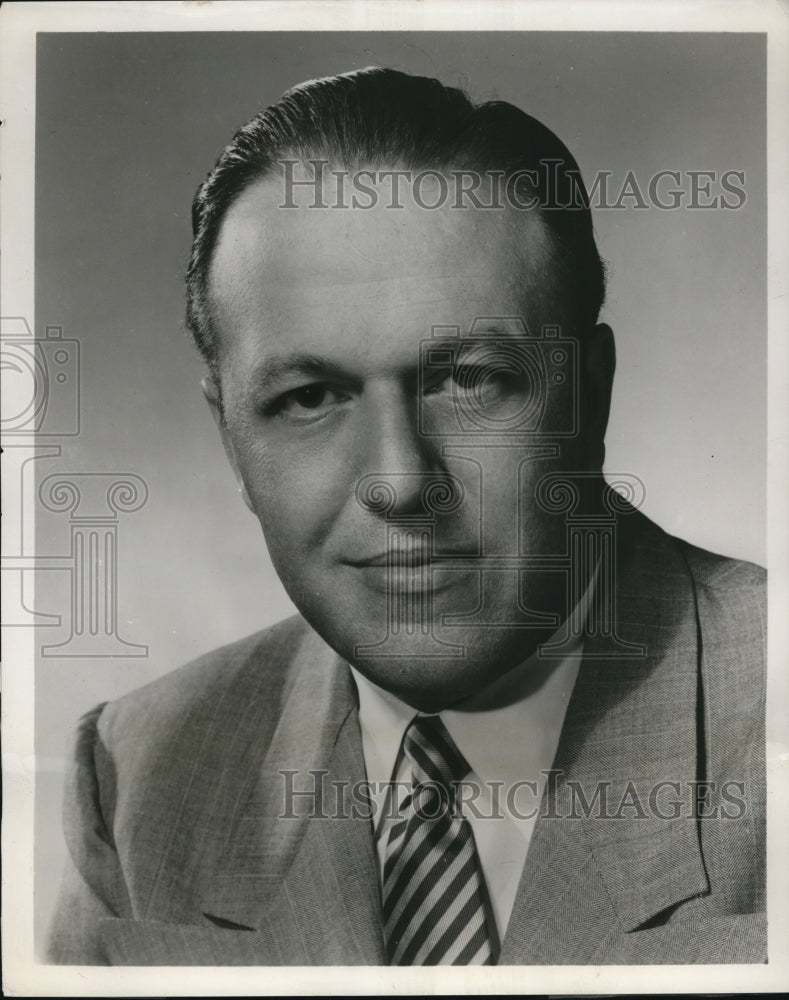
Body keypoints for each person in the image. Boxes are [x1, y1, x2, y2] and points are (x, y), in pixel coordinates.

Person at [47, 67, 766, 966]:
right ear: (231, 439)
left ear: (587, 396)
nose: (397, 481)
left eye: (467, 380)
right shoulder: (136, 772)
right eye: (310, 397)